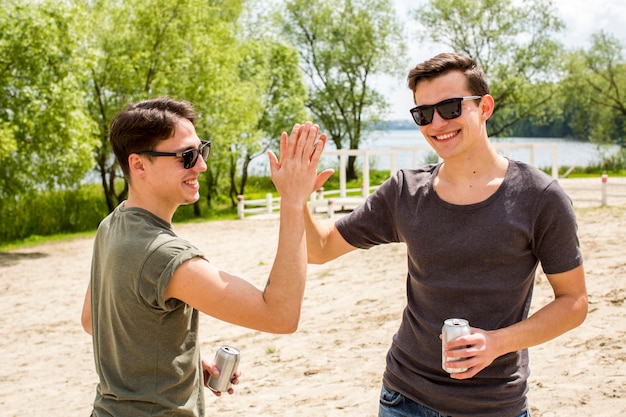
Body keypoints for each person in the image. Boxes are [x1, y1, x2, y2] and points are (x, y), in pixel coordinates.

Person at [304, 53, 588, 417]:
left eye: (451, 108)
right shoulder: (405, 191)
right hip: (402, 398)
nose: (437, 123)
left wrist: (497, 343)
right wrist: (297, 200)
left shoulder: (540, 197)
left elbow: (574, 302)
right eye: (423, 114)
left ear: (484, 107)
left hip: (494, 405)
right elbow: (321, 248)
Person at [80, 97, 333, 416]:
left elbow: (93, 321)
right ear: (139, 164)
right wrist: (294, 202)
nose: (201, 165)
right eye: (186, 156)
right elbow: (280, 315)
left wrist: (176, 361)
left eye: (201, 151)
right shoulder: (166, 255)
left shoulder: (112, 225)